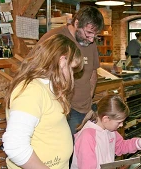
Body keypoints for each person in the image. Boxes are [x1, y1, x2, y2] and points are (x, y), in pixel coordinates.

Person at [2, 34, 84, 169]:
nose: (72, 75)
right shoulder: (31, 90)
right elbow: (15, 145)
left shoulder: (48, 86)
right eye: (72, 69)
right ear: (62, 61)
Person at [37, 6, 104, 140]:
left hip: (84, 109)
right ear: (77, 23)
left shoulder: (90, 44)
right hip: (63, 111)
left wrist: (89, 99)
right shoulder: (54, 38)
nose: (91, 39)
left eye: (95, 35)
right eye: (88, 33)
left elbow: (92, 73)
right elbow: (36, 70)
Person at [71, 94, 141, 169]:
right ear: (106, 119)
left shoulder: (110, 130)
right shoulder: (87, 137)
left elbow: (120, 146)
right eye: (119, 122)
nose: (121, 125)